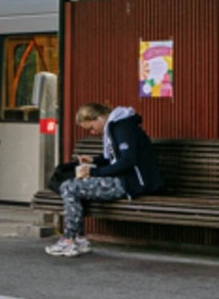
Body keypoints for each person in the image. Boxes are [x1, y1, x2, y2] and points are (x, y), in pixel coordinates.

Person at [45, 102, 164, 258]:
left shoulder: (122, 128)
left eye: (91, 127)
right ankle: (78, 240)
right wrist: (93, 161)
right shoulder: (115, 127)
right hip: (126, 180)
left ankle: (69, 241)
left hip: (132, 183)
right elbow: (113, 159)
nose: (93, 132)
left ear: (99, 118)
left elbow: (128, 161)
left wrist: (94, 172)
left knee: (69, 187)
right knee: (71, 186)